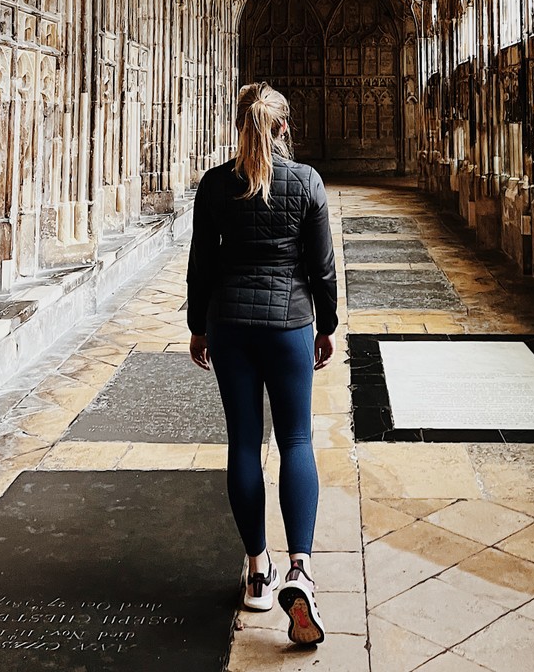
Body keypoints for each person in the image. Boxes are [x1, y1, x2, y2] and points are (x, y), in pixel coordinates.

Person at [187, 82, 338, 647]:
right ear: (282, 128)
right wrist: (326, 326)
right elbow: (320, 265)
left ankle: (257, 571)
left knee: (244, 443)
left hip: (231, 324)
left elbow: (202, 263)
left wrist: (197, 325)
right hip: (289, 323)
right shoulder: (306, 182)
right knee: (297, 440)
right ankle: (300, 570)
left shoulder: (215, 184)